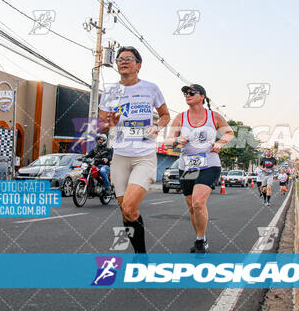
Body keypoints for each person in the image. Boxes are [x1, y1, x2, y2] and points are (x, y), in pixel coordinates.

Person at [98, 46, 170, 254]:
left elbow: (165, 115)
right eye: (120, 59)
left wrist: (157, 126)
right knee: (126, 211)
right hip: (120, 156)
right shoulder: (110, 91)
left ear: (138, 65)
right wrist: (109, 122)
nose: (123, 61)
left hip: (144, 156)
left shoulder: (151, 88)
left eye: (128, 58)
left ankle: (141, 256)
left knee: (129, 207)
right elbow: (100, 125)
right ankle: (140, 252)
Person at [166, 84, 233, 253]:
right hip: (187, 166)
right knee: (191, 206)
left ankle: (200, 241)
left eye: (191, 92)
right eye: (185, 93)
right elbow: (168, 142)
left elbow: (229, 133)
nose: (187, 95)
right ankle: (200, 238)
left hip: (209, 164)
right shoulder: (180, 118)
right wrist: (176, 141)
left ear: (202, 96)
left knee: (198, 202)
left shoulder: (214, 116)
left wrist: (219, 143)